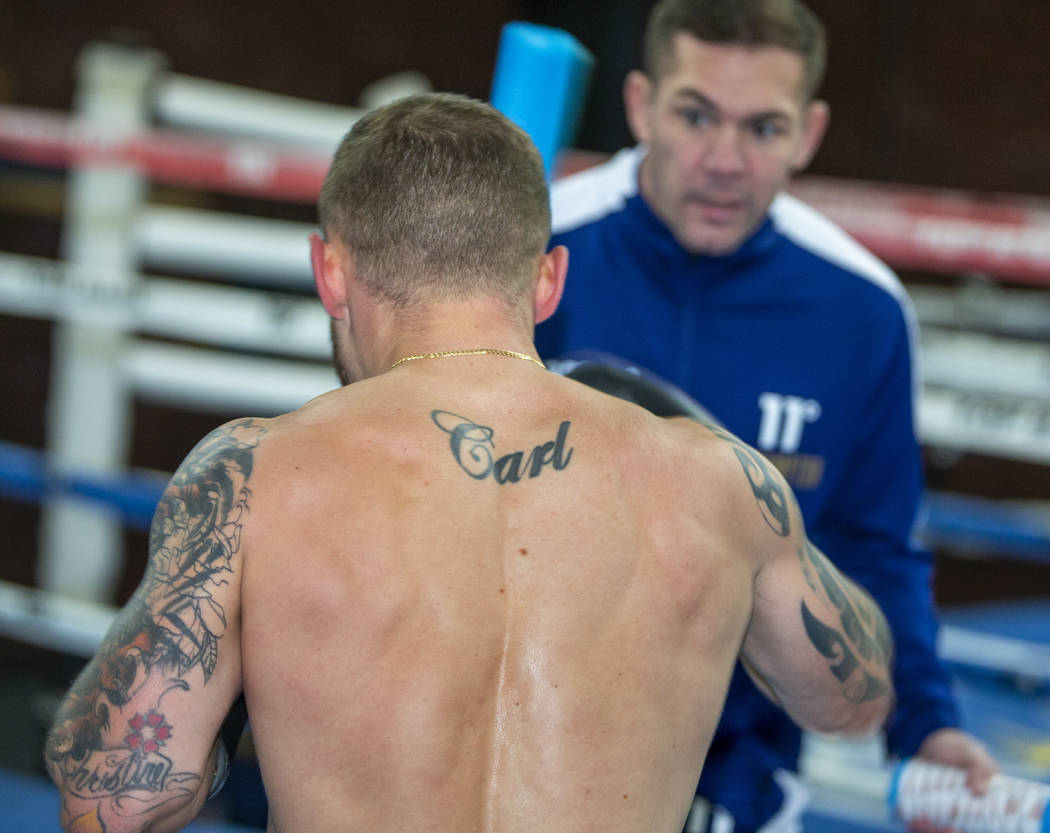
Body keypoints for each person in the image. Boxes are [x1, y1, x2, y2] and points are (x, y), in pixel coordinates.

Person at [44, 92, 894, 833]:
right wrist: (749, 497)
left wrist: (229, 699)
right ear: (549, 281)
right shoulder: (718, 481)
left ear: (330, 275)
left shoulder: (254, 476)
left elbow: (111, 800)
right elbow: (854, 699)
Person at [534, 1, 997, 831]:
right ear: (640, 105)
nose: (724, 161)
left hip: (736, 787)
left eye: (763, 129)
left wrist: (925, 727)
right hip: (512, 754)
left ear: (809, 133)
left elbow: (873, 547)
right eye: (696, 115)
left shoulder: (861, 312)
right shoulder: (533, 252)